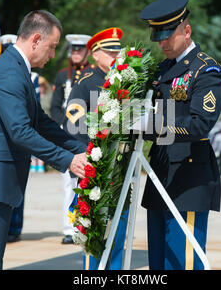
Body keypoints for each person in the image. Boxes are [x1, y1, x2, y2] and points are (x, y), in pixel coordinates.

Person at [0, 10, 88, 270]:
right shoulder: (9, 73)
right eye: (52, 47)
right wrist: (68, 161)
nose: (52, 54)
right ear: (36, 39)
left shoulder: (15, 69)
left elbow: (41, 121)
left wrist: (84, 149)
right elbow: (21, 131)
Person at [139, 0, 221, 270]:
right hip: (160, 173)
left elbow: (200, 123)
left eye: (168, 36)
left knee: (183, 262)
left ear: (186, 31)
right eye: (158, 36)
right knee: (158, 265)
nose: (162, 43)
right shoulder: (162, 69)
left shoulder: (205, 69)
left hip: (188, 178)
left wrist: (153, 126)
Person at [65, 27, 129, 270]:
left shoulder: (123, 81)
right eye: (110, 51)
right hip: (96, 170)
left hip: (121, 169)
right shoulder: (86, 83)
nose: (115, 56)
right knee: (95, 236)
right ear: (95, 55)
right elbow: (72, 123)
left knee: (118, 232)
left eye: (118, 51)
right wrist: (88, 158)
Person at [50, 33, 92, 245]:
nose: (75, 53)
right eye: (73, 49)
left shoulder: (92, 74)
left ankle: (86, 225)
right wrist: (61, 125)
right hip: (67, 135)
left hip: (85, 135)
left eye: (79, 49)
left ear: (87, 52)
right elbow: (56, 106)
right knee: (69, 183)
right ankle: (69, 227)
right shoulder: (61, 76)